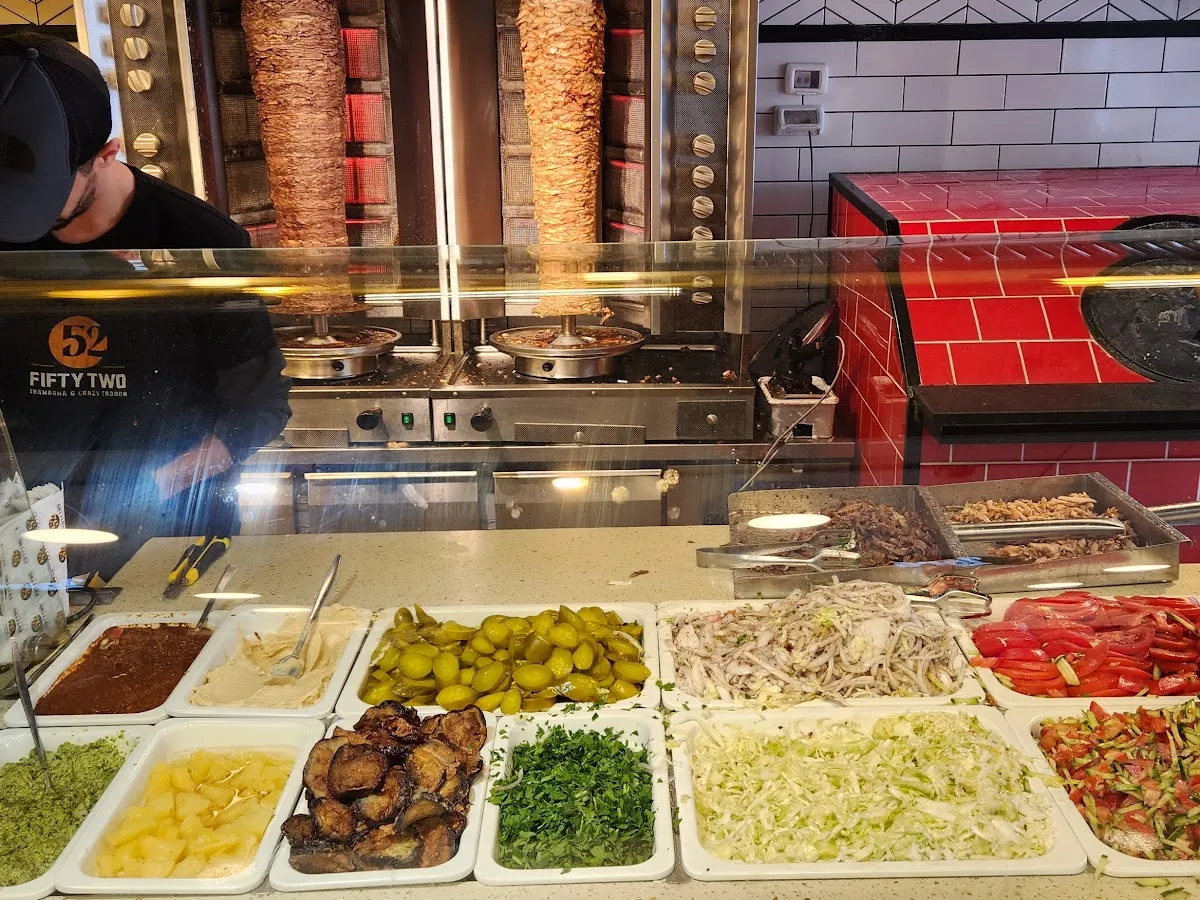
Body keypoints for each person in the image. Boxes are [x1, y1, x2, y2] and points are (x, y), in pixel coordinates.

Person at [0, 32, 291, 579]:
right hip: (23, 533)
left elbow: (260, 409)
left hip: (168, 531)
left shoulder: (200, 241)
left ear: (106, 155)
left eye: (39, 197)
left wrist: (141, 489)